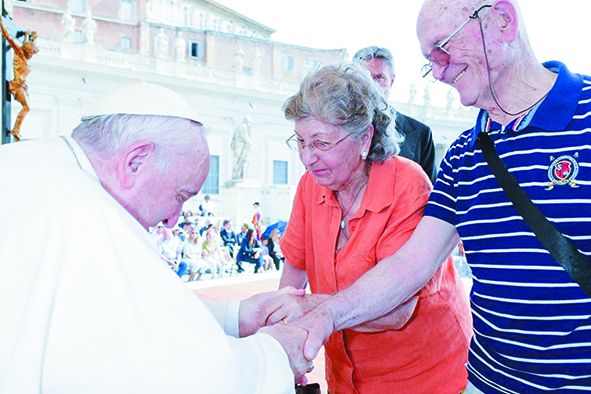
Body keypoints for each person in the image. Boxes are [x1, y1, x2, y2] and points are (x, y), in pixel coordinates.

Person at [281, 2, 591, 393]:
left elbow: (401, 306)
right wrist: (322, 315)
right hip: (486, 382)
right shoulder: (462, 155)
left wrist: (319, 311)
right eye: (431, 60)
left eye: (444, 46)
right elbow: (408, 266)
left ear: (502, 19)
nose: (440, 71)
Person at [0, 82, 312, 393]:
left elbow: (124, 319)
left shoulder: (23, 163)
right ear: (134, 162)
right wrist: (276, 355)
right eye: (181, 195)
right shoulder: (86, 215)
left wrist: (237, 316)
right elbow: (189, 377)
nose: (173, 219)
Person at [261, 63, 472, 393]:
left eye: (321, 143)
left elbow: (397, 311)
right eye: (300, 141)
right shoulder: (310, 185)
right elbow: (295, 268)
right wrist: (283, 339)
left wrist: (310, 309)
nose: (306, 157)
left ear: (365, 138)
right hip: (346, 377)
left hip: (425, 378)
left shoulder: (408, 185)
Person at [353, 46, 437, 183]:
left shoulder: (421, 133)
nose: (371, 85)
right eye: (364, 77)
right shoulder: (334, 129)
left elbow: (430, 191)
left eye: (378, 77)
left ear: (391, 81)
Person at [0, 17, 39, 141]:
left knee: (27, 106)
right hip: (15, 86)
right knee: (26, 107)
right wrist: (1, 24)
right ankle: (16, 129)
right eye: (31, 52)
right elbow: (9, 38)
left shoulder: (26, 58)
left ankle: (16, 129)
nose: (32, 55)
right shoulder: (20, 53)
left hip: (20, 85)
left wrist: (27, 36)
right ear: (27, 50)